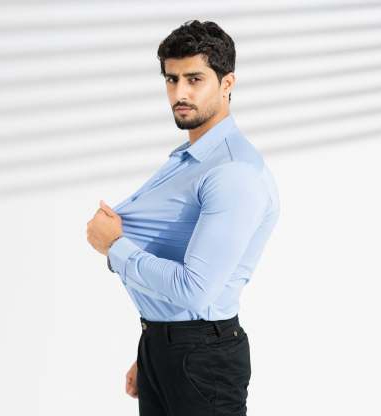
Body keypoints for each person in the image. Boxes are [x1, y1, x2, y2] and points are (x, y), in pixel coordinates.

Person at [86, 19, 280, 416]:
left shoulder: (232, 172)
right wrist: (156, 347)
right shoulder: (191, 159)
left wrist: (114, 246)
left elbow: (195, 290)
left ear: (227, 83)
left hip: (202, 358)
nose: (180, 93)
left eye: (195, 79)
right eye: (172, 80)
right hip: (169, 346)